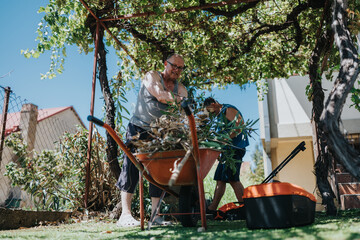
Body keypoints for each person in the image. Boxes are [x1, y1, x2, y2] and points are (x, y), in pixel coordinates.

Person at [116, 54, 188, 227]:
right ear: (165, 64)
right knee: (131, 167)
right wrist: (178, 100)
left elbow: (185, 109)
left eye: (180, 68)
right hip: (138, 128)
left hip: (160, 134)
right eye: (174, 66)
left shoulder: (181, 87)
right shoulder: (152, 76)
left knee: (158, 172)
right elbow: (161, 95)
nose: (176, 70)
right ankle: (125, 215)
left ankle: (155, 216)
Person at [203, 97, 249, 214]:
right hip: (226, 151)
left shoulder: (228, 109)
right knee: (220, 179)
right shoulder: (219, 116)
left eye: (209, 110)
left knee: (233, 179)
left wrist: (224, 139)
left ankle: (246, 208)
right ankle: (212, 209)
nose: (210, 114)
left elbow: (239, 126)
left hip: (235, 149)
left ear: (214, 104)